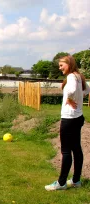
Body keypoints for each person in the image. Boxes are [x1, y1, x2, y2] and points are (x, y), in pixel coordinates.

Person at [45, 55, 90, 191]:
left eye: (61, 65)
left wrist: (70, 98)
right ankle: (76, 180)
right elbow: (87, 90)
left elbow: (70, 91)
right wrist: (77, 96)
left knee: (65, 151)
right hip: (78, 117)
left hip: (69, 118)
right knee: (76, 149)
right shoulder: (79, 76)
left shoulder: (71, 77)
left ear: (69, 64)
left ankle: (61, 183)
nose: (60, 68)